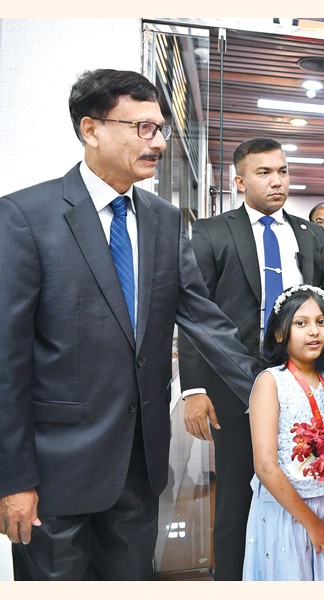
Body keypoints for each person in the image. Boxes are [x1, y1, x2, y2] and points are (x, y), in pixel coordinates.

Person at [0, 68, 257, 580]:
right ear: (90, 129)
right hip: (55, 473)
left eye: (159, 128)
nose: (158, 141)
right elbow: (7, 362)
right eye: (142, 128)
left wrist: (272, 389)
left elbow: (204, 317)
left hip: (139, 466)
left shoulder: (163, 219)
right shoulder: (26, 216)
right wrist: (13, 478)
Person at [177, 137, 324, 580]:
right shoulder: (212, 232)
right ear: (239, 180)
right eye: (264, 173)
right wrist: (193, 389)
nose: (277, 181)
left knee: (308, 486)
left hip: (300, 380)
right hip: (232, 383)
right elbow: (193, 312)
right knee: (236, 494)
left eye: (283, 171)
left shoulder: (309, 235)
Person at [243, 284, 324, 580]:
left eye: (321, 322)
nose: (314, 332)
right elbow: (266, 466)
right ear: (280, 333)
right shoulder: (271, 382)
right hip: (288, 513)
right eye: (301, 323)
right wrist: (311, 523)